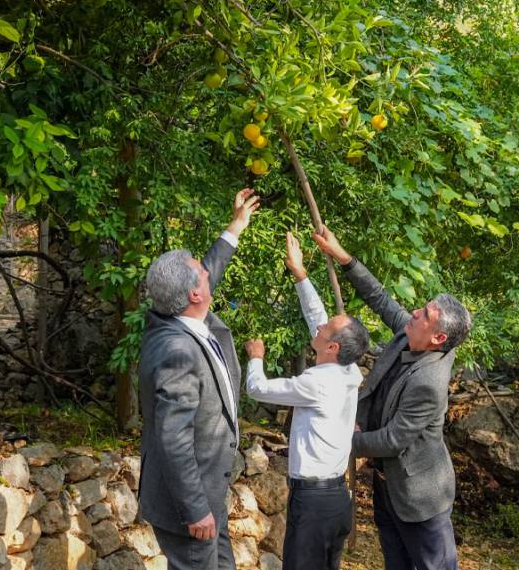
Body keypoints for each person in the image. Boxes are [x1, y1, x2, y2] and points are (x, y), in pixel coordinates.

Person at [313, 227, 472, 570]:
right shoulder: (410, 334)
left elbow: (392, 440)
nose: (414, 312)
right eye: (422, 308)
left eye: (425, 315)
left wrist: (340, 439)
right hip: (388, 486)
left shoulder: (429, 382)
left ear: (438, 337)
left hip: (419, 497)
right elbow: (380, 298)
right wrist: (342, 256)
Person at [137, 188, 260, 570]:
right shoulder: (177, 350)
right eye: (203, 274)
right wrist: (194, 510)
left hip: (208, 494)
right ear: (194, 294)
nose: (208, 272)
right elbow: (173, 437)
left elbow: (208, 270)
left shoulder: (178, 315)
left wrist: (236, 227)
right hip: (189, 508)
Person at [243, 231, 369, 570]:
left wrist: (256, 357)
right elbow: (318, 317)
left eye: (326, 329)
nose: (320, 326)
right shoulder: (349, 370)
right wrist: (300, 273)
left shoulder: (316, 383)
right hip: (336, 499)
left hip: (313, 502)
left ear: (332, 347)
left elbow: (257, 388)